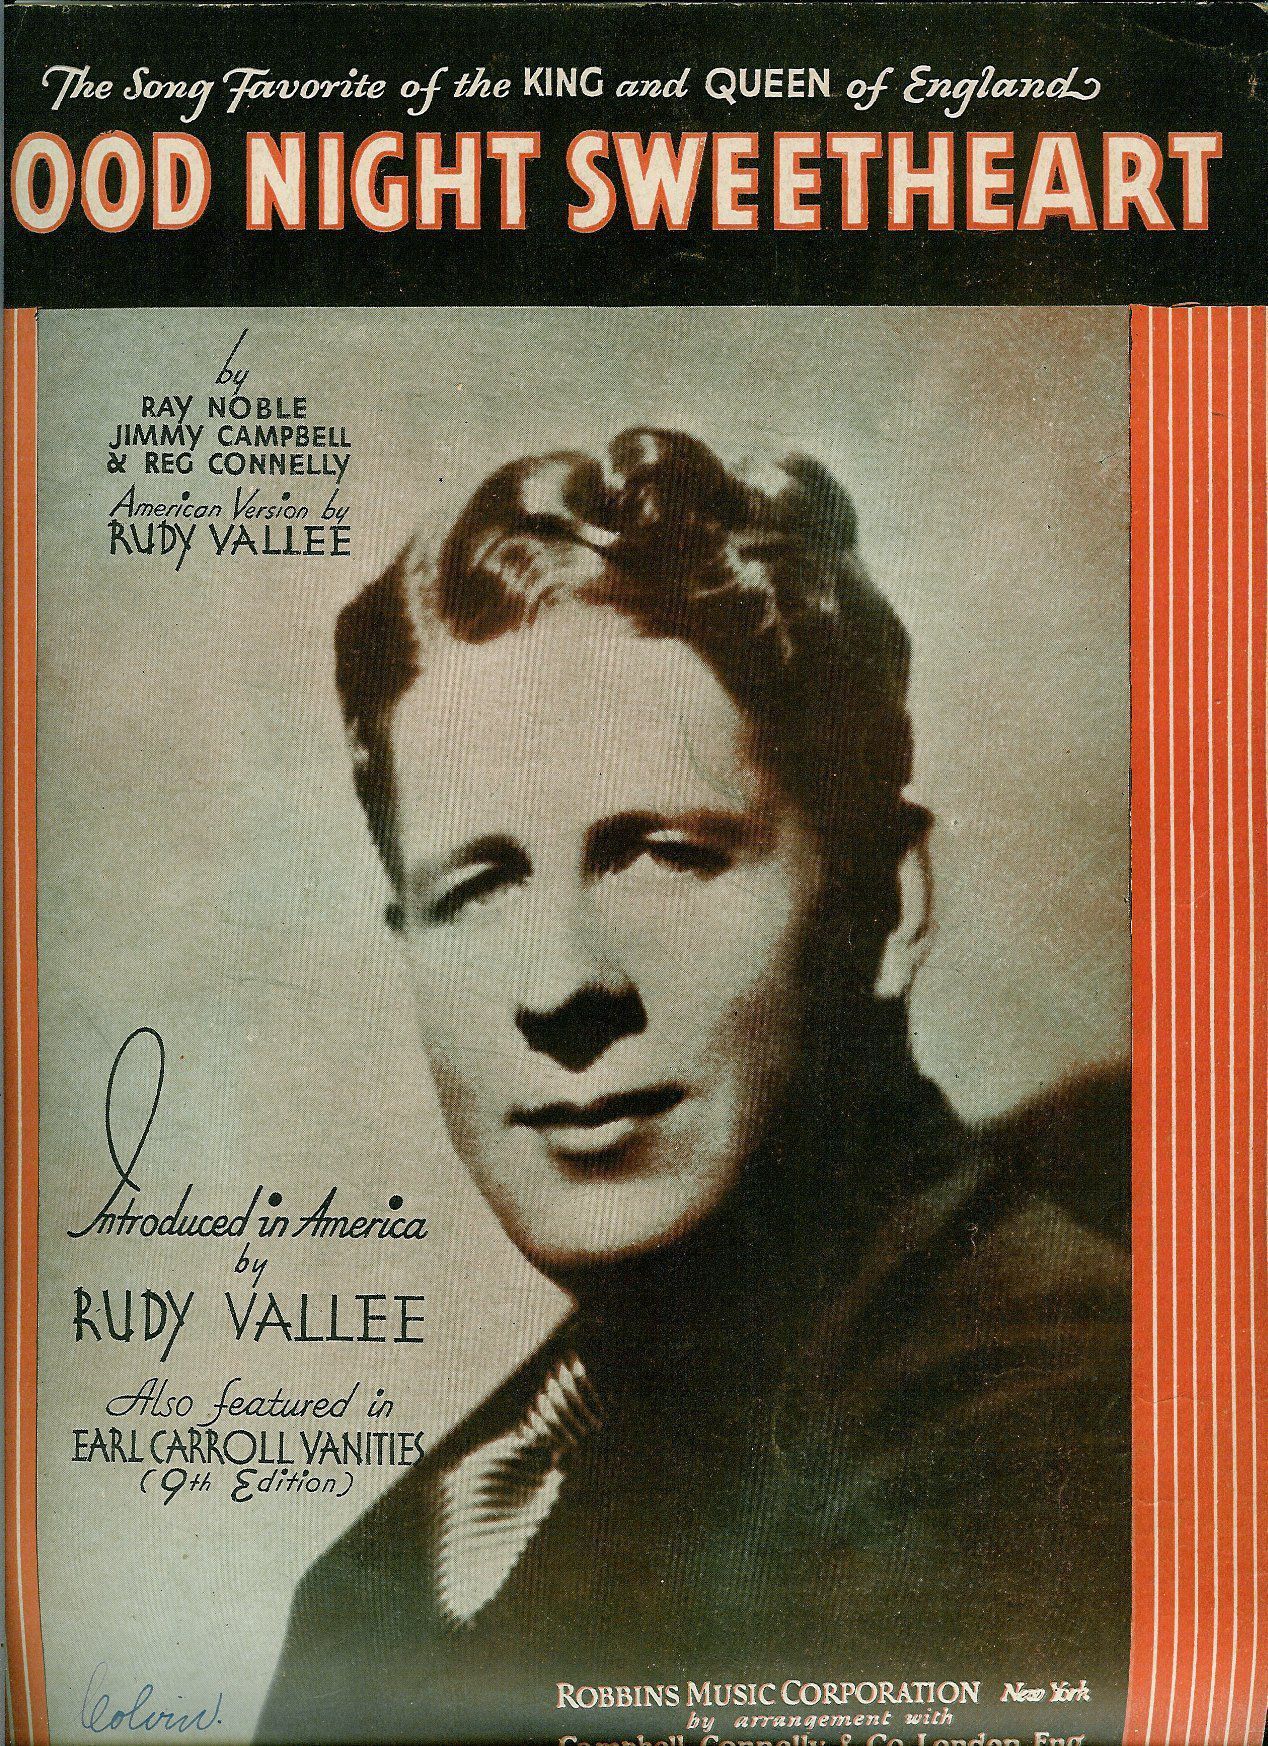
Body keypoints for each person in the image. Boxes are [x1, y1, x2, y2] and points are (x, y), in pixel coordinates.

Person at [257, 429, 1130, 1746]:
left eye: (661, 855)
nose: (562, 983)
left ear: (886, 902)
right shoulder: (401, 1558)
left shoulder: (1030, 1431)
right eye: (478, 888)